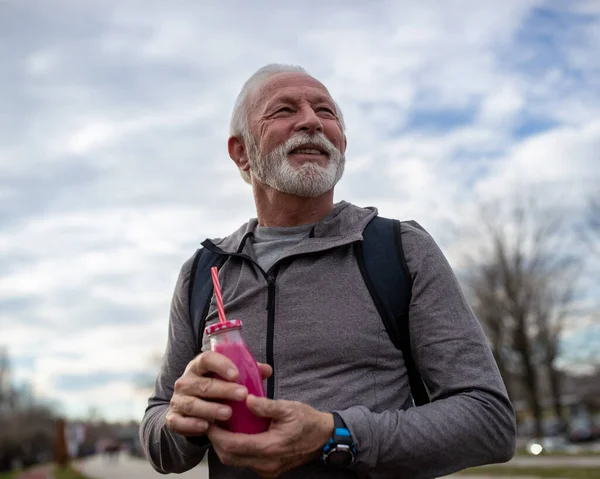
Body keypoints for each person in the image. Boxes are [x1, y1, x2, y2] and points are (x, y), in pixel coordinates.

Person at [139, 64, 516, 478]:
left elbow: (489, 422)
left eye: (326, 112)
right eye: (283, 110)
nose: (311, 121)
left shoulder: (401, 249)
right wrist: (185, 420)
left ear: (342, 143)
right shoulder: (202, 273)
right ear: (241, 152)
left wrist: (335, 435)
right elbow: (161, 439)